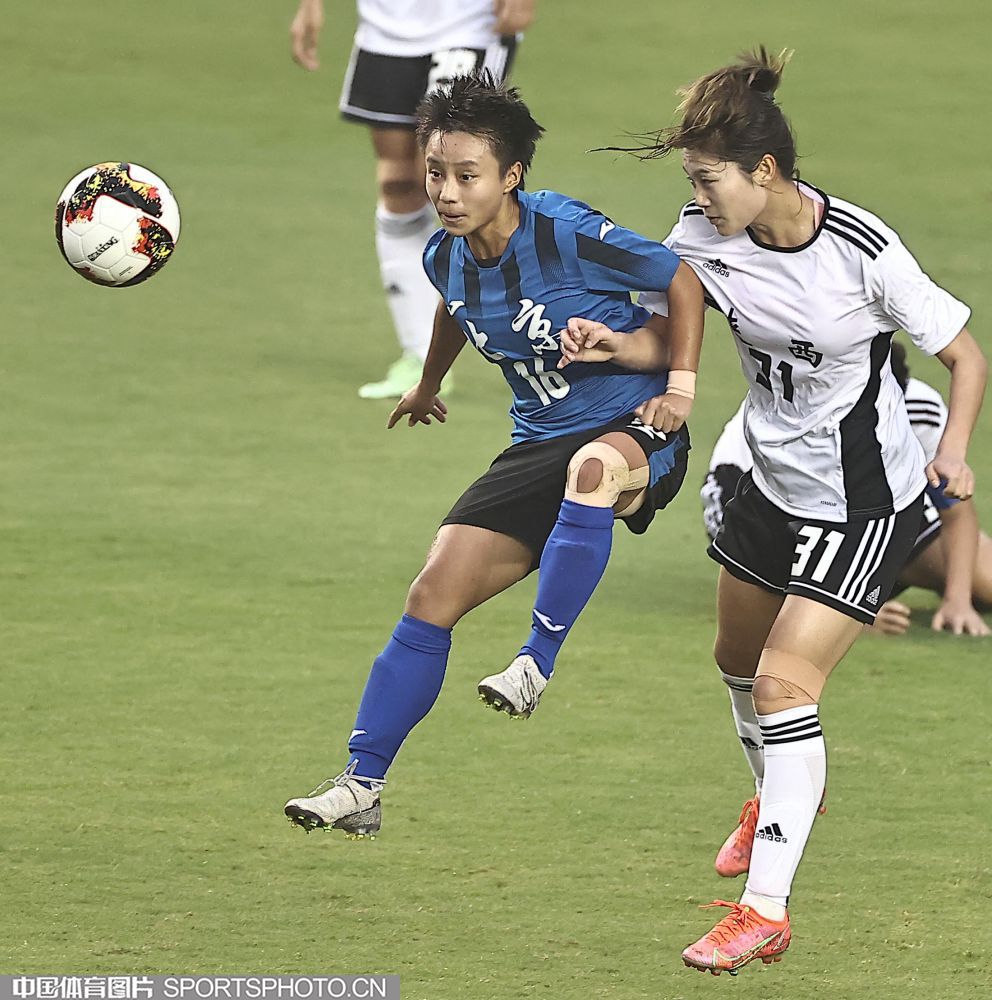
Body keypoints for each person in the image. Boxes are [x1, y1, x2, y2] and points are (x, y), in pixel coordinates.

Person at [556, 48, 986, 975]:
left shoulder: (861, 250)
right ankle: (780, 797)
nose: (697, 198)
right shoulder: (702, 235)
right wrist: (611, 346)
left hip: (856, 503)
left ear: (765, 170)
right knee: (737, 665)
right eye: (691, 181)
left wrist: (951, 452)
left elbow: (967, 357)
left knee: (787, 689)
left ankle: (764, 910)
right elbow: (670, 337)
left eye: (708, 180)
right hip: (764, 478)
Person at [283, 73, 705, 838]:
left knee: (593, 472)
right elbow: (456, 307)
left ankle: (534, 663)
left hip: (634, 421)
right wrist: (426, 384)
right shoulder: (443, 257)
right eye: (435, 173)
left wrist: (679, 388)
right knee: (429, 597)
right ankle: (361, 785)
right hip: (537, 442)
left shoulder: (562, 230)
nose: (446, 192)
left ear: (510, 176)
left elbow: (681, 278)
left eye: (466, 175)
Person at [290, 0, 536, 399]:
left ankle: (534, 320)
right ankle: (420, 355)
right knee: (398, 182)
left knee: (452, 171)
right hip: (384, 27)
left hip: (468, 23)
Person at [702, 345, 991, 637]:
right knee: (776, 596)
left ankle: (878, 582)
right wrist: (849, 612)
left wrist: (958, 601)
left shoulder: (917, 408)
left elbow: (955, 510)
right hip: (759, 502)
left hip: (869, 506)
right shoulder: (798, 412)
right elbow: (777, 526)